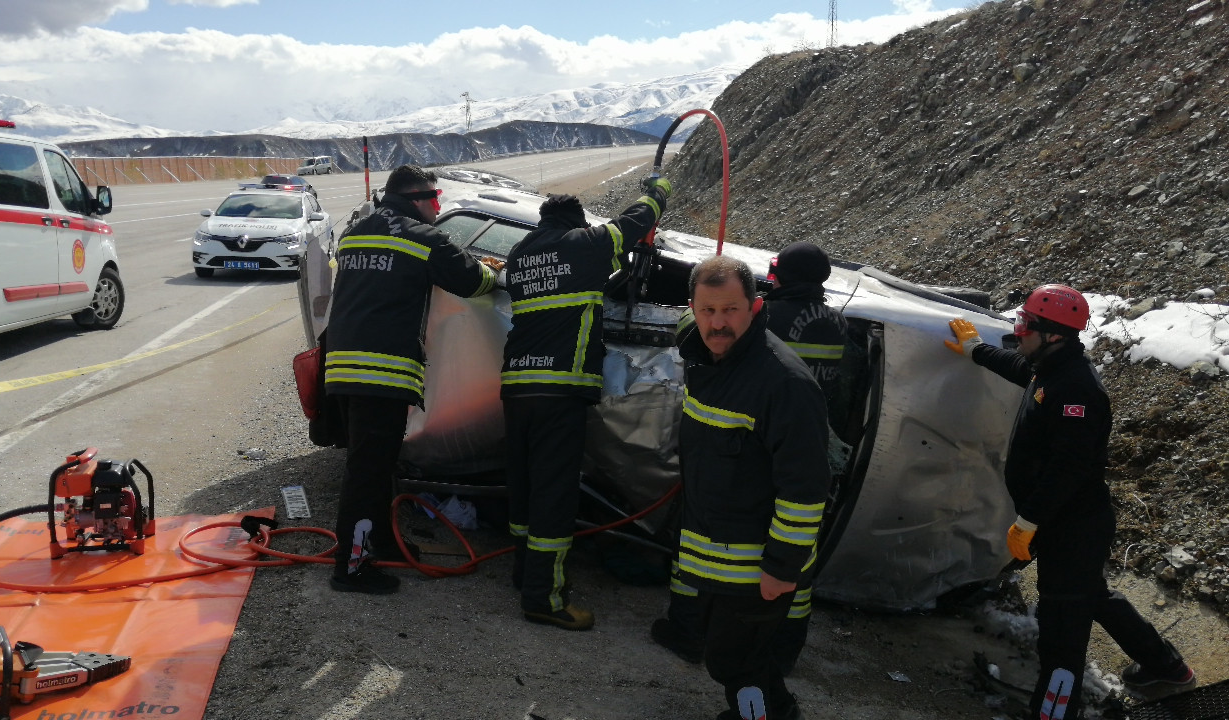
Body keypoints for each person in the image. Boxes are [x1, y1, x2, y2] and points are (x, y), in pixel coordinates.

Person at [945, 284, 1195, 720]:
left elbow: (1069, 468)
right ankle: (1166, 668)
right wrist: (976, 351)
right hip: (1065, 521)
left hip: (1072, 525)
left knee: (1062, 633)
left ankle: (1053, 713)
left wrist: (1029, 520)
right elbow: (1023, 372)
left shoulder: (1076, 389)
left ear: (1054, 335)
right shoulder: (1051, 368)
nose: (1017, 331)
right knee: (1089, 596)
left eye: (1025, 325)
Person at [653, 241, 847, 675]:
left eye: (730, 310)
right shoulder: (833, 322)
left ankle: (757, 674)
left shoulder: (781, 379)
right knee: (744, 651)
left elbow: (802, 489)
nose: (717, 323)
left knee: (741, 667)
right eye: (706, 311)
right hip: (727, 530)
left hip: (752, 556)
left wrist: (780, 567)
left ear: (756, 307)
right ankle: (770, 661)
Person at [502, 179, 671, 630]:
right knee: (554, 497)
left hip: (518, 386)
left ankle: (525, 575)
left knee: (523, 489)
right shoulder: (585, 244)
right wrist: (657, 192)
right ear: (576, 222)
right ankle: (545, 598)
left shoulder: (520, 254)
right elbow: (635, 223)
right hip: (561, 390)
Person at [325, 164, 500, 594]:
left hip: (343, 366)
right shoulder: (422, 238)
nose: (437, 209)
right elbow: (472, 281)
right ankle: (352, 567)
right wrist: (494, 270)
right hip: (381, 372)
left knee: (377, 466)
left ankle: (379, 544)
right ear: (419, 199)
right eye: (435, 200)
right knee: (367, 472)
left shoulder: (356, 232)